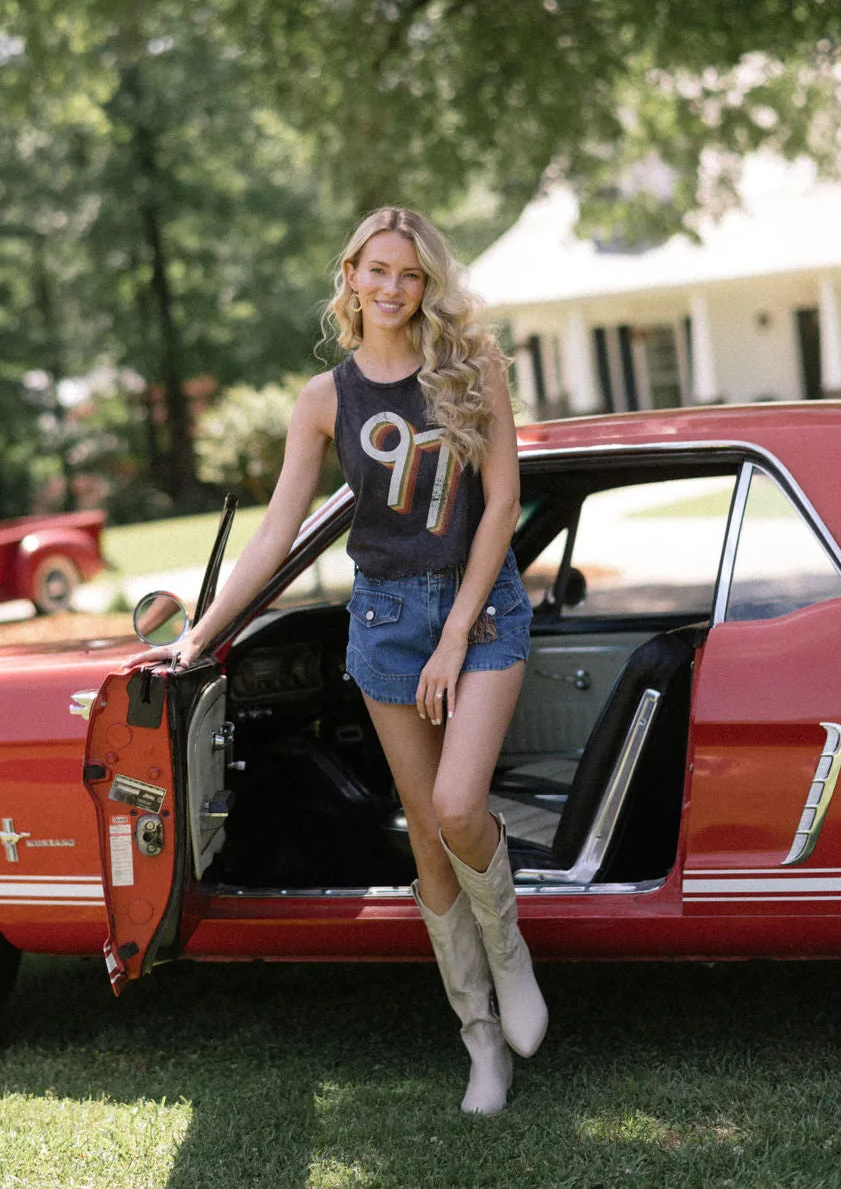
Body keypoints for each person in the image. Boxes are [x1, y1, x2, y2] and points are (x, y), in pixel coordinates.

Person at [123, 206, 547, 1115]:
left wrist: (454, 632)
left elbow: (503, 501)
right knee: (426, 837)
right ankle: (481, 1043)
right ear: (350, 274)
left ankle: (510, 956)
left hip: (484, 609)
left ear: (428, 283)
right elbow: (281, 529)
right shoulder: (326, 401)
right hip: (386, 621)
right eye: (377, 269)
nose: (393, 288)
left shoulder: (472, 370)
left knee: (459, 805)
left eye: (411, 273)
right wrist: (200, 634)